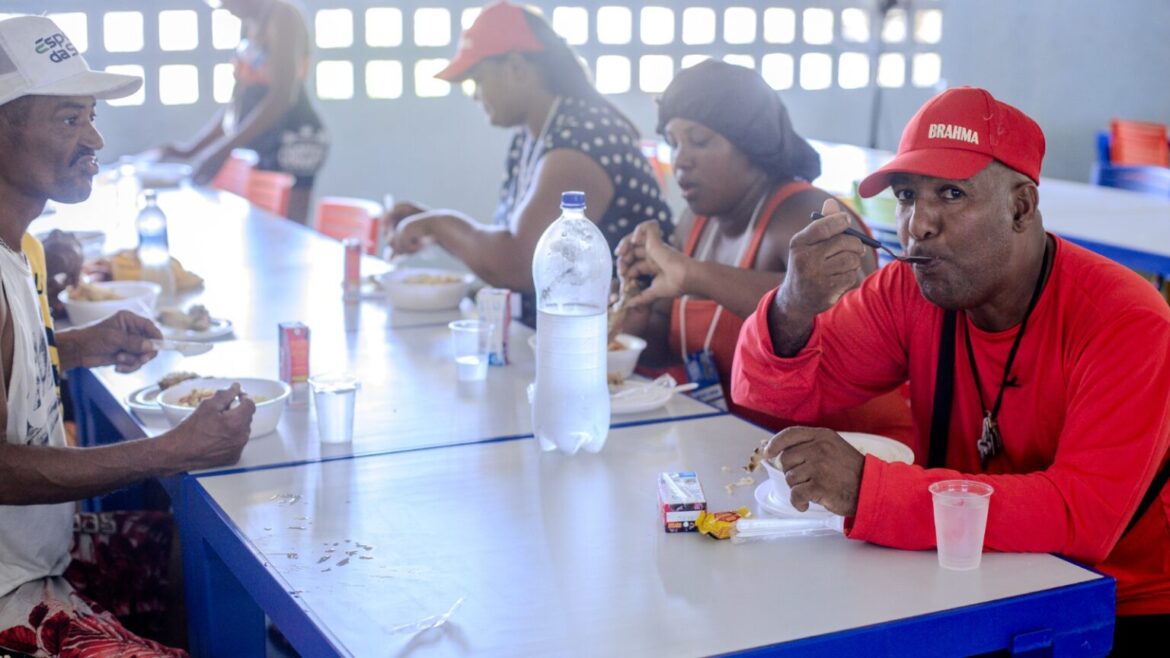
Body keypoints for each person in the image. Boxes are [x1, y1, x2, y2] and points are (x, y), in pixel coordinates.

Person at [731, 86, 1170, 653]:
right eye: (908, 195)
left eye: (953, 194)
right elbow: (767, 393)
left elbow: (1081, 517)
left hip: (1115, 602)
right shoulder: (908, 292)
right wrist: (794, 304)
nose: (917, 225)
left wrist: (869, 489)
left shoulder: (1126, 320)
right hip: (967, 578)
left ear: (1020, 207)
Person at [0, 16, 255, 655]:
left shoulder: (18, 247)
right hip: (8, 590)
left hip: (36, 550)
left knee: (191, 547)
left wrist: (74, 348)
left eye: (89, 116)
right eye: (67, 119)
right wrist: (171, 449)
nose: (95, 139)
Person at [614, 60, 911, 439]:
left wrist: (693, 275)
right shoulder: (695, 222)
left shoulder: (805, 215)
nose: (681, 159)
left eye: (699, 141)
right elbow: (667, 353)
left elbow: (853, 315)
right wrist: (634, 310)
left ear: (752, 144)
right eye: (674, 143)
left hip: (849, 455)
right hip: (743, 448)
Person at [387, 0, 672, 326]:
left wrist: (439, 224)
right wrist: (430, 224)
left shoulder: (583, 137)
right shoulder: (534, 135)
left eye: (477, 79)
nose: (475, 94)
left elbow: (519, 265)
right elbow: (506, 249)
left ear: (517, 68)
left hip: (619, 354)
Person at [155, 0, 328, 224]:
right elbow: (235, 106)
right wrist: (192, 149)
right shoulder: (249, 24)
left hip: (297, 136)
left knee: (289, 229)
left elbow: (283, 96)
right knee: (262, 225)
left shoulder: (283, 17)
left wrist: (225, 149)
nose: (223, 8)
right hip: (264, 138)